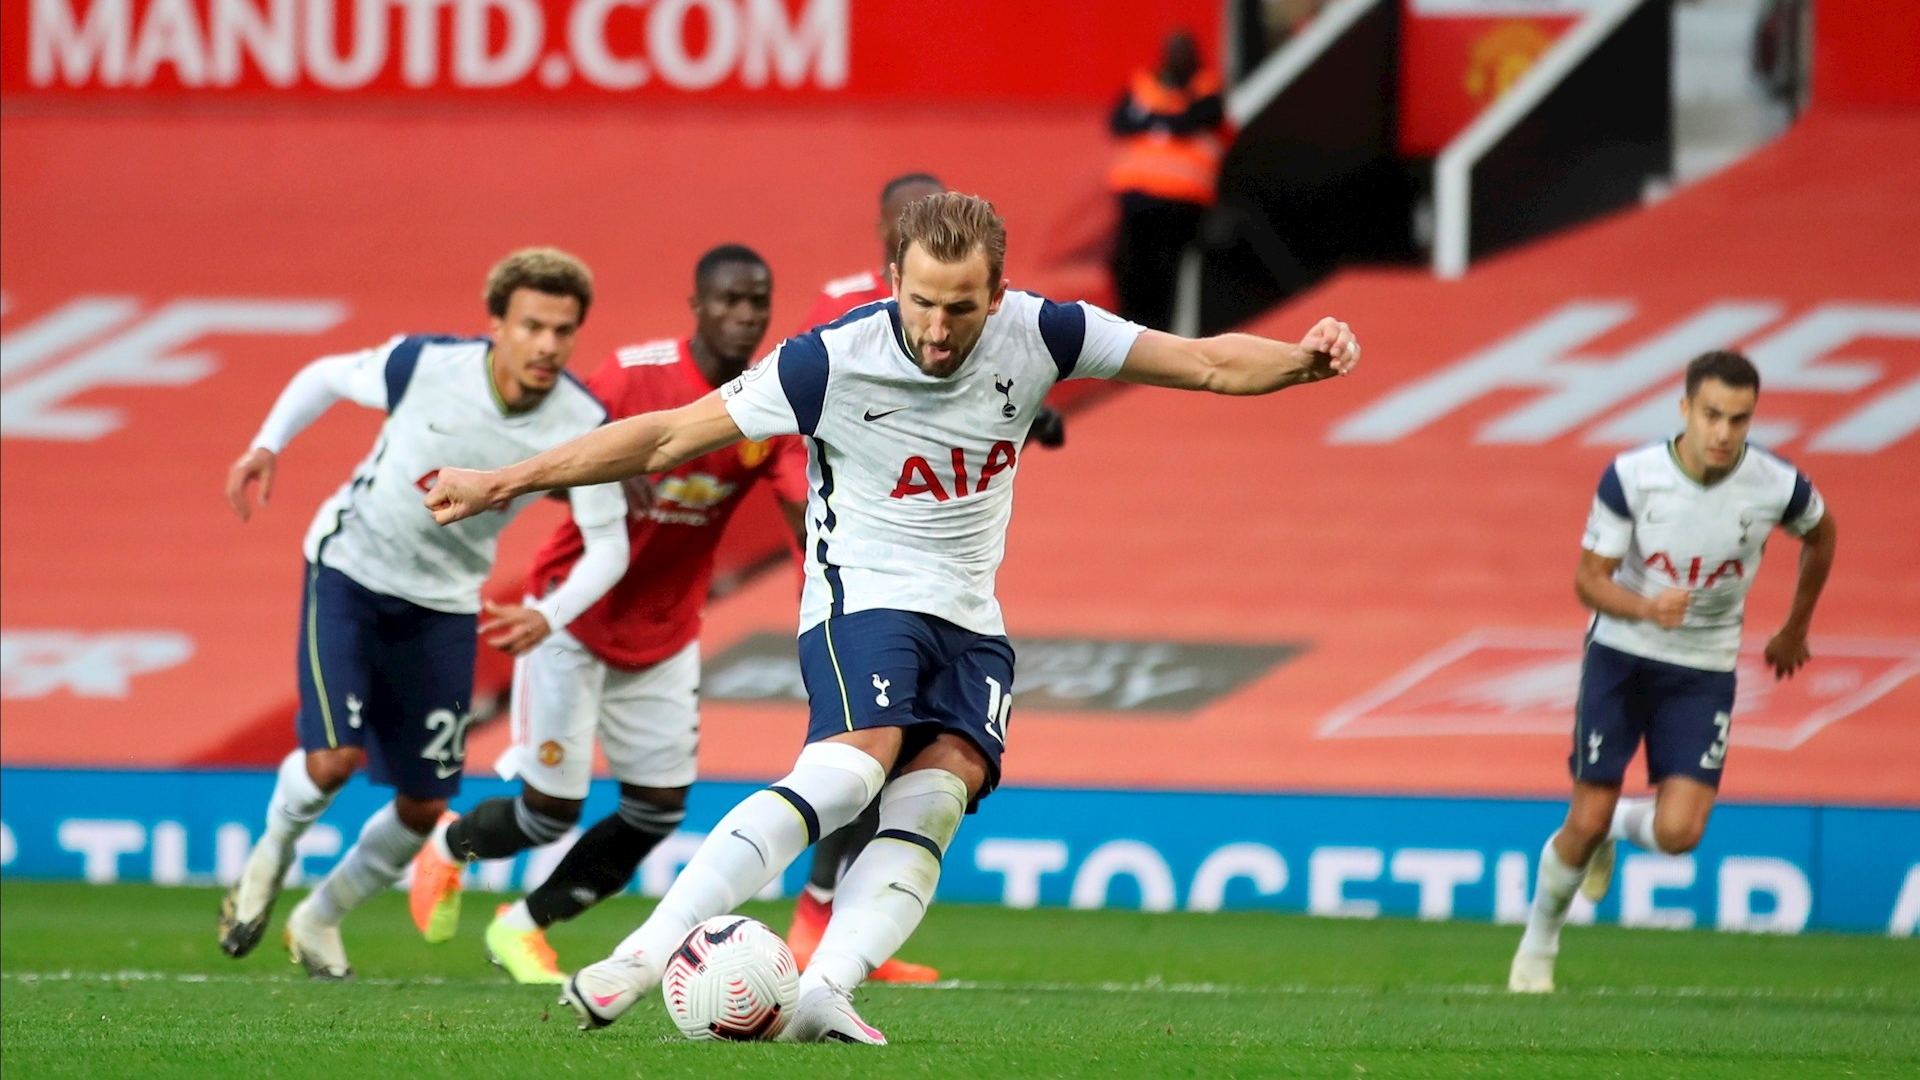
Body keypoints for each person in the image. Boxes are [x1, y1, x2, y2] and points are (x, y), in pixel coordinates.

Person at [424, 193, 1359, 1042]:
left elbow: (1200, 360)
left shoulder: (1046, 331)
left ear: (998, 296)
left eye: (961, 306)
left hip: (971, 616)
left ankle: (827, 984)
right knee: (855, 761)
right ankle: (642, 952)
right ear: (891, 283)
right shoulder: (829, 360)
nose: (939, 327)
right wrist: (502, 480)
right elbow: (668, 433)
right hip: (860, 595)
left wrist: (1300, 363)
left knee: (941, 792)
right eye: (921, 302)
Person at [215, 249, 630, 981]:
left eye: (563, 331)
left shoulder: (581, 420)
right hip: (350, 571)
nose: (547, 345)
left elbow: (610, 543)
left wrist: (551, 614)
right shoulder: (424, 364)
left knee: (423, 803)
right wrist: (264, 445)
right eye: (532, 325)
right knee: (334, 761)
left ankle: (319, 919)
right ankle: (267, 864)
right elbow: (321, 376)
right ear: (496, 324)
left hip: (442, 606)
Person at [406, 245, 812, 984]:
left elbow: (800, 506)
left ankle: (521, 928)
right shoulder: (633, 375)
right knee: (547, 814)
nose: (744, 316)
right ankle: (446, 846)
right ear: (697, 307)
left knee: (657, 808)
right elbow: (559, 462)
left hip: (665, 632)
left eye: (758, 302)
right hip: (572, 619)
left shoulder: (767, 404)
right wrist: (600, 490)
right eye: (729, 300)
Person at [781, 172, 1066, 984]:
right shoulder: (843, 318)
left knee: (896, 748)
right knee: (865, 746)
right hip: (848, 554)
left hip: (927, 560)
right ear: (888, 236)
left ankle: (833, 927)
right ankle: (814, 922)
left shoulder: (962, 315)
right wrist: (808, 543)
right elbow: (795, 419)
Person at [1510, 350, 1837, 994]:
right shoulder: (1633, 476)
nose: (1723, 432)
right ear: (1684, 408)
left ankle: (1616, 830)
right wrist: (1646, 607)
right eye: (1712, 414)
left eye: (1738, 419)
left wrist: (1795, 627)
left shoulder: (1777, 484)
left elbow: (1822, 536)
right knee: (1583, 819)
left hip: (1704, 666)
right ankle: (1538, 946)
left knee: (1681, 834)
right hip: (1621, 655)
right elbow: (1588, 581)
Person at [1107, 29, 1230, 332]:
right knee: (1129, 268)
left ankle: (1159, 336)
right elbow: (1119, 122)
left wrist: (1154, 119)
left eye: (1183, 51)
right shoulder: (1143, 84)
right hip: (1137, 198)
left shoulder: (1207, 89)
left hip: (1182, 203)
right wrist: (1164, 120)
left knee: (1168, 274)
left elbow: (1195, 120)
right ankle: (1128, 332)